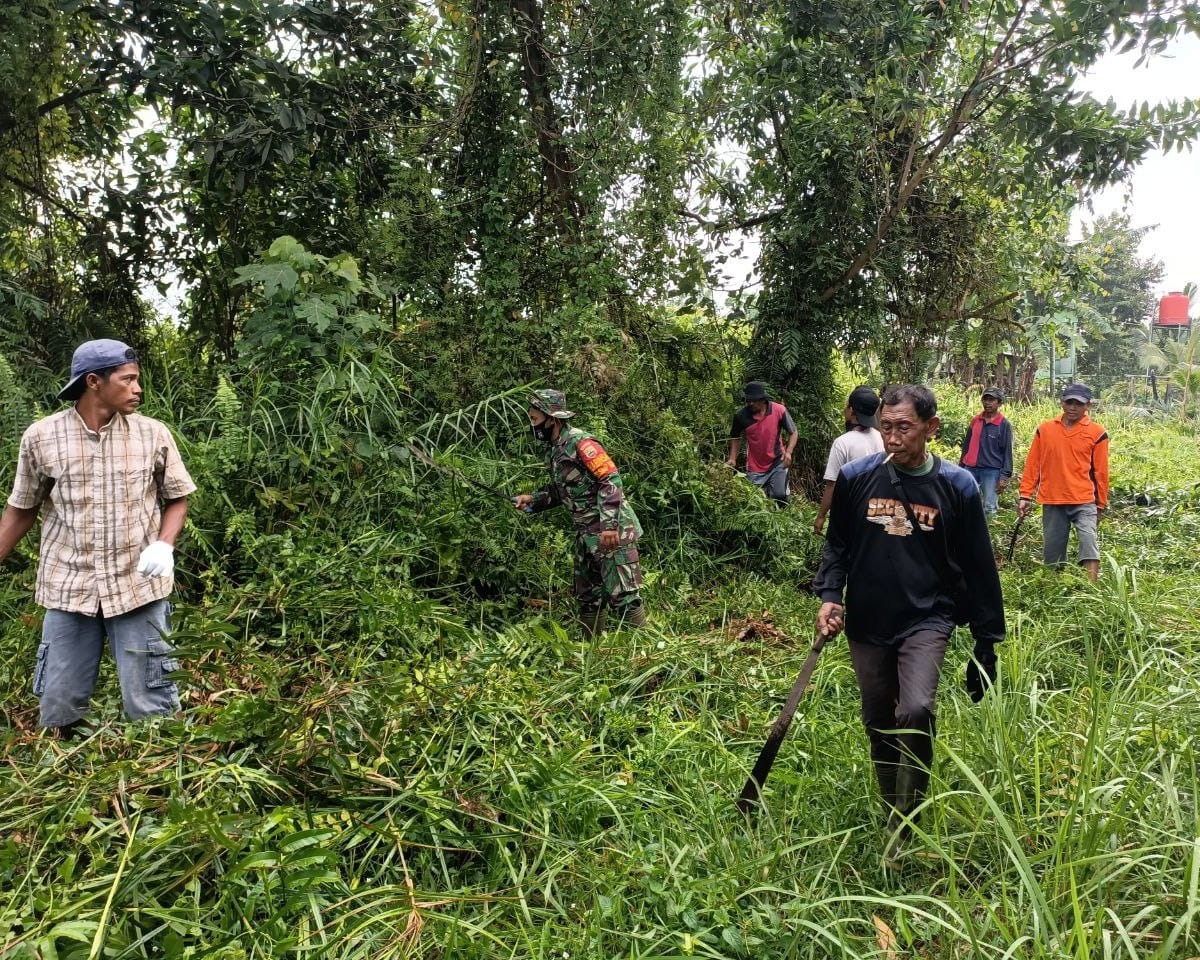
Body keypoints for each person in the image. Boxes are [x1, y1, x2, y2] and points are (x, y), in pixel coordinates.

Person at [812, 384, 1005, 867]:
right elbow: (838, 546)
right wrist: (831, 596)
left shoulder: (957, 486)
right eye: (886, 427)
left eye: (904, 427)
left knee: (915, 709)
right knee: (878, 719)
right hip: (868, 619)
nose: (893, 438)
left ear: (931, 428)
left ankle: (906, 822)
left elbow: (980, 567)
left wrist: (986, 642)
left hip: (927, 618)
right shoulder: (856, 479)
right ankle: (890, 807)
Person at [0, 339, 196, 736]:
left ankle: (157, 760)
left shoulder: (152, 434)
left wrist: (164, 544)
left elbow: (177, 498)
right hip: (69, 586)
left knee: (153, 704)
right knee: (59, 704)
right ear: (94, 382)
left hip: (137, 586)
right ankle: (68, 759)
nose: (138, 389)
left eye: (137, 379)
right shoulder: (42, 437)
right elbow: (22, 508)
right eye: (128, 380)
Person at [514, 389, 645, 638]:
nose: (532, 425)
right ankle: (591, 650)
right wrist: (533, 500)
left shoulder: (582, 444)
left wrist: (609, 526)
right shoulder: (555, 450)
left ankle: (643, 649)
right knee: (588, 595)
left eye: (535, 419)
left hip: (610, 531)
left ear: (552, 419)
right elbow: (561, 490)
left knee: (624, 593)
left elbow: (610, 480)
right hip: (586, 534)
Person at [1018, 383, 1109, 581]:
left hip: (1084, 499)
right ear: (1062, 403)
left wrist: (1101, 504)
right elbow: (1033, 464)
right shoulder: (1045, 430)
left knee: (1089, 542)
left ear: (1088, 406)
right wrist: (1025, 494)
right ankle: (1054, 588)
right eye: (1069, 402)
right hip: (1053, 499)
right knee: (1053, 554)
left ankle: (1091, 589)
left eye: (1078, 403)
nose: (1073, 408)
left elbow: (1101, 472)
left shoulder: (1097, 433)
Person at [813, 385, 884, 535]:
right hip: (877, 512)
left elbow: (832, 485)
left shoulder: (842, 443)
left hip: (850, 513)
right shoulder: (882, 438)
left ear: (851, 410)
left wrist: (821, 516)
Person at [726, 381, 797, 507]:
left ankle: (781, 507)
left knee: (780, 496)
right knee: (754, 501)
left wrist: (789, 452)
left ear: (763, 399)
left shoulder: (779, 410)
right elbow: (735, 437)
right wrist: (732, 458)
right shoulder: (741, 416)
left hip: (777, 460)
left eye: (754, 400)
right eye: (748, 400)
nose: (750, 403)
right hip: (755, 466)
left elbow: (793, 432)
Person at [958, 386, 1014, 517]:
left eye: (992, 400)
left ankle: (990, 529)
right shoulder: (976, 420)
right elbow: (966, 445)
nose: (988, 403)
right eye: (985, 399)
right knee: (965, 503)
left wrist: (1004, 476)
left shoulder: (1004, 424)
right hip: (970, 469)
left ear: (999, 403)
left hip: (991, 471)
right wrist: (960, 467)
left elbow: (1007, 452)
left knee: (990, 506)